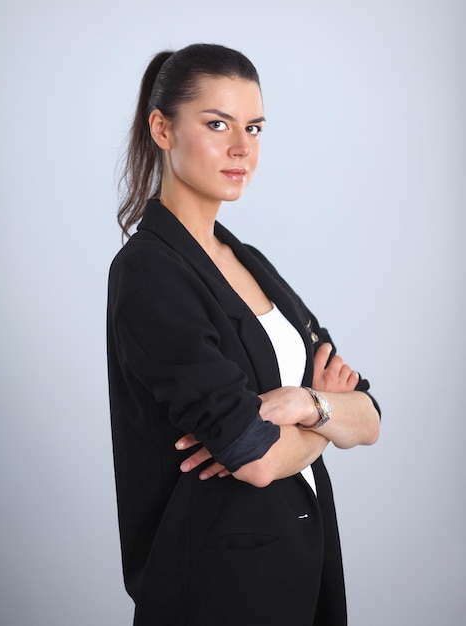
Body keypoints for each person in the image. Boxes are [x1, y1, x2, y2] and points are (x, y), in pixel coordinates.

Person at [107, 43, 380, 626]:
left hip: (303, 562)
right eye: (217, 124)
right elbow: (252, 457)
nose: (242, 148)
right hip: (217, 584)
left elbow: (372, 413)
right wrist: (326, 420)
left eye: (253, 127)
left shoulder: (247, 259)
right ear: (162, 128)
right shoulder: (150, 272)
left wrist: (305, 405)